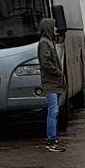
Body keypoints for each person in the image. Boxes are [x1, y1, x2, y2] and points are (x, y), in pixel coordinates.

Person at [38, 18, 67, 152]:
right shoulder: (45, 43)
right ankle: (51, 140)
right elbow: (45, 62)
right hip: (50, 83)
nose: (57, 29)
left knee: (54, 112)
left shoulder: (49, 42)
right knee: (53, 112)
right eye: (54, 26)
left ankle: (53, 138)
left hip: (54, 82)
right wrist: (58, 72)